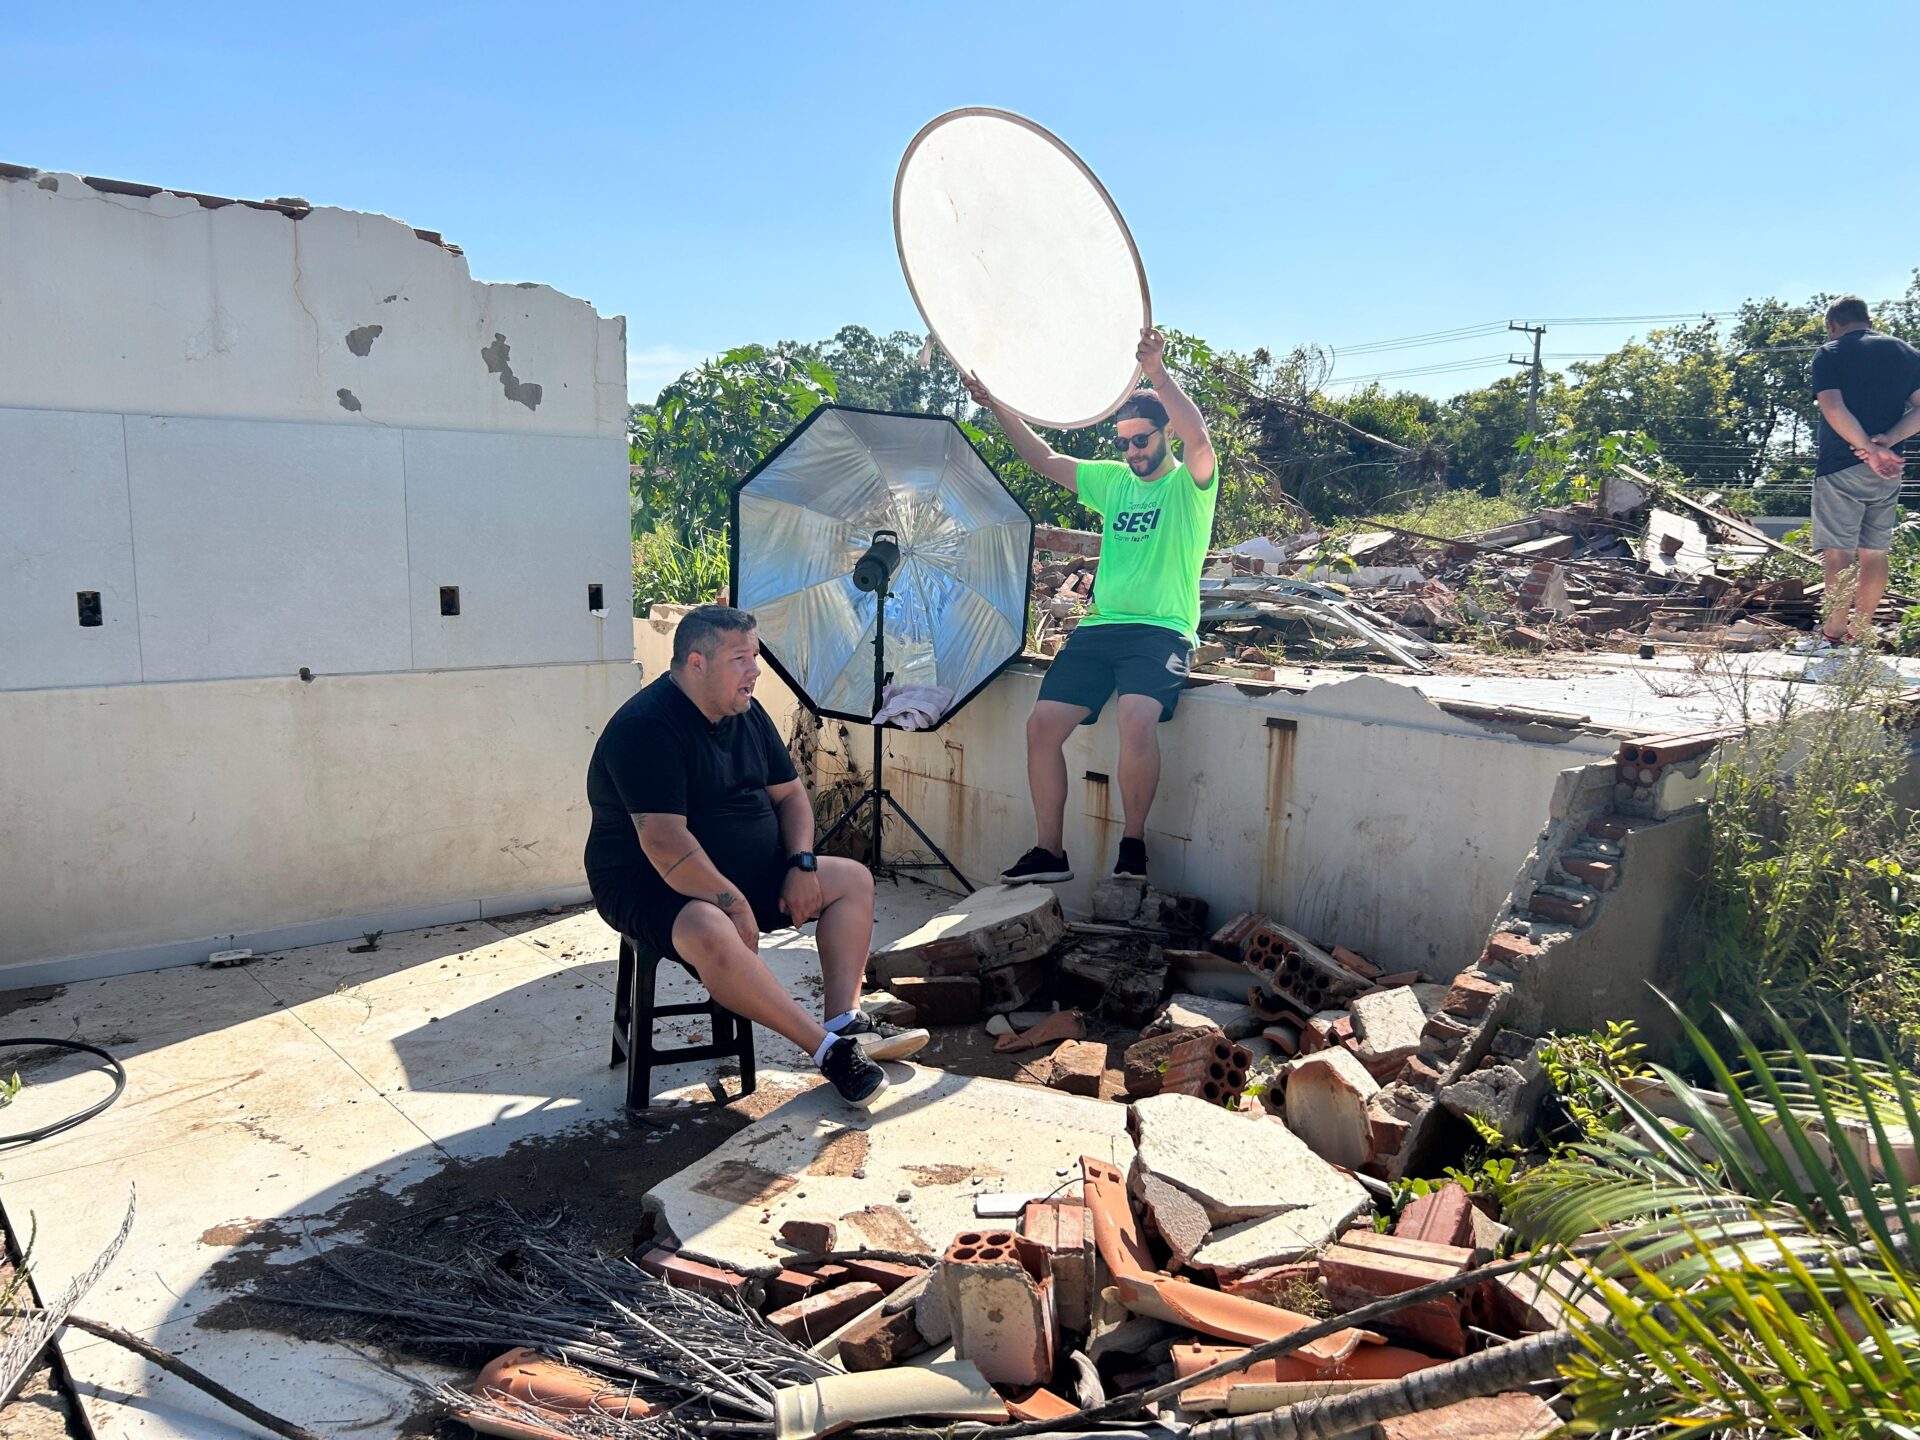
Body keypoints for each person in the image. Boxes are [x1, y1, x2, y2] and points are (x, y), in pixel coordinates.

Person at [584, 605, 929, 1108]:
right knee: (710, 926)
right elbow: (663, 842)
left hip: (746, 875)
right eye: (740, 658)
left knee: (851, 879)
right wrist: (733, 902)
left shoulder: (744, 710)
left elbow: (790, 797)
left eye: (755, 656)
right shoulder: (647, 727)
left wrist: (801, 863)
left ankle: (844, 1017)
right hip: (651, 883)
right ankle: (828, 1051)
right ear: (697, 663)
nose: (755, 671)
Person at [963, 327, 1218, 884]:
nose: (1132, 452)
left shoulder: (1190, 488)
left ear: (1164, 434)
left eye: (1142, 441)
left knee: (1135, 717)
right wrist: (998, 404)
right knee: (1041, 727)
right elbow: (1044, 457)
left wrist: (1157, 372)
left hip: (1161, 631)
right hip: (1100, 630)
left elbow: (1200, 440)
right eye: (1124, 443)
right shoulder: (1113, 482)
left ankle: (1132, 846)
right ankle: (1050, 854)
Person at [1803, 295, 1920, 659]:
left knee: (1838, 553)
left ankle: (1833, 637)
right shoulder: (1905, 352)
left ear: (1833, 324)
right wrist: (1887, 443)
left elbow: (1833, 407)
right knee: (1875, 552)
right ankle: (1861, 635)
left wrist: (1866, 449)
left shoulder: (1831, 353)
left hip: (1842, 465)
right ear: (1866, 320)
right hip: (1888, 470)